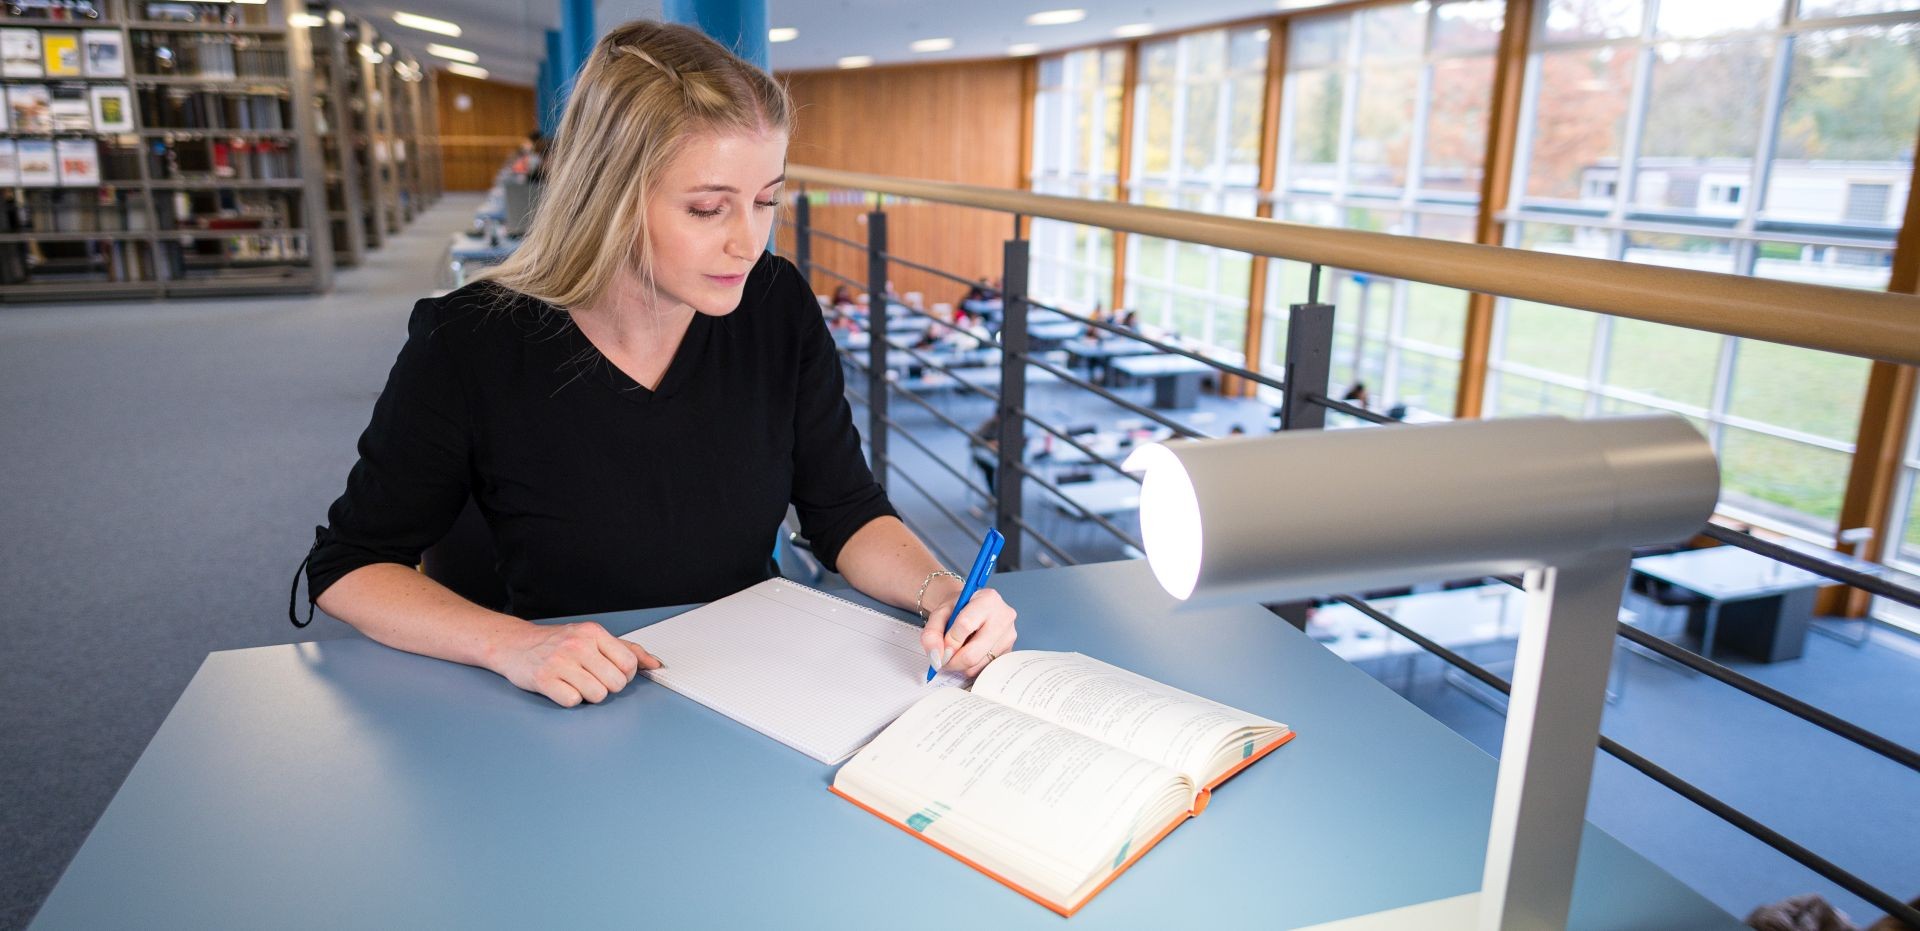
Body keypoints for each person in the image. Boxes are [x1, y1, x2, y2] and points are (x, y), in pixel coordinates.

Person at [297, 21, 1017, 708]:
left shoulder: (776, 306)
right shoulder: (469, 340)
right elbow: (349, 566)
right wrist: (510, 644)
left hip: (748, 680)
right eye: (709, 208)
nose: (748, 241)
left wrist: (943, 591)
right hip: (557, 695)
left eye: (766, 201)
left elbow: (846, 512)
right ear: (606, 199)